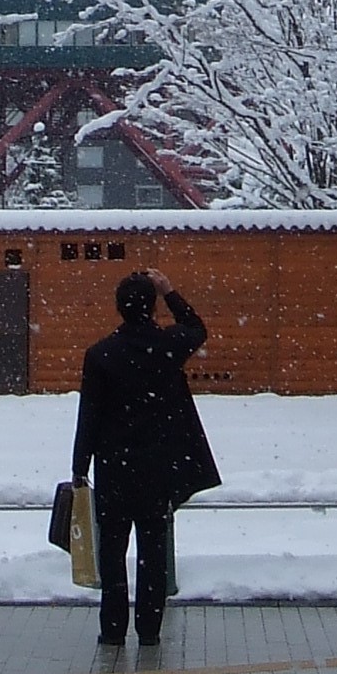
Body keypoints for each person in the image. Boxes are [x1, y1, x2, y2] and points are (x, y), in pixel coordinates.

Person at [71, 267, 220, 646]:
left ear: (119, 308)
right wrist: (170, 291)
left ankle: (112, 628)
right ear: (151, 307)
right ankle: (150, 629)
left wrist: (79, 467)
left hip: (113, 467)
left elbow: (89, 414)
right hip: (157, 466)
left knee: (112, 551)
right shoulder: (168, 346)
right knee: (152, 552)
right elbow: (197, 328)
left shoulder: (101, 354)